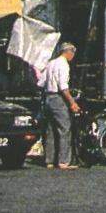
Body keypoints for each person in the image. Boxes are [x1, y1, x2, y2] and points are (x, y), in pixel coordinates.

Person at [38, 41, 81, 170]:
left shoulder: (51, 63)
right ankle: (63, 161)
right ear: (68, 52)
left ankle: (49, 160)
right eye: (72, 53)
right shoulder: (64, 65)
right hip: (58, 98)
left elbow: (41, 83)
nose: (73, 56)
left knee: (50, 129)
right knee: (64, 128)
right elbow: (63, 87)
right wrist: (72, 102)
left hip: (47, 97)